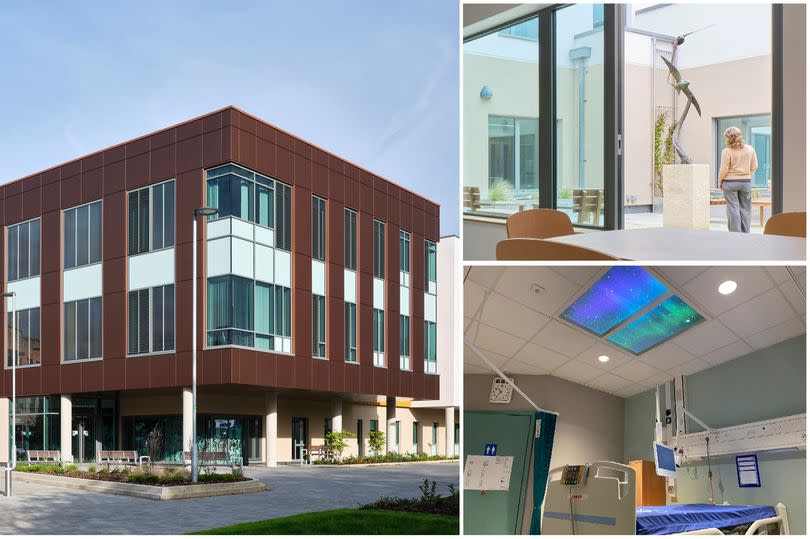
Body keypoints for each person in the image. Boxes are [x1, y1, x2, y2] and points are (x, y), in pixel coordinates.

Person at [718, 126, 758, 233]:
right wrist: (746, 174)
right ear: (740, 135)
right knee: (745, 209)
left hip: (730, 183)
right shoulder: (750, 149)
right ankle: (745, 233)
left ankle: (735, 234)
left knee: (733, 208)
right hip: (746, 183)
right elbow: (754, 166)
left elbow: (724, 169)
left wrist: (720, 180)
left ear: (728, 138)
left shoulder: (726, 151)